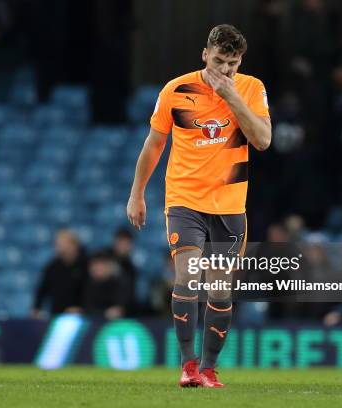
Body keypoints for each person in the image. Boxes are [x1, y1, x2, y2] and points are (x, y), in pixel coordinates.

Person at [126, 24, 271, 388]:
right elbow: (153, 145)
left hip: (230, 204)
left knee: (220, 290)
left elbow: (263, 140)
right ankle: (187, 365)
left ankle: (208, 368)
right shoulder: (175, 90)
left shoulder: (252, 89)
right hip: (185, 199)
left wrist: (233, 96)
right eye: (219, 60)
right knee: (188, 276)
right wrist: (136, 192)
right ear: (205, 54)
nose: (225, 70)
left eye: (232, 63)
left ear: (241, 62)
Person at [32, 229, 88, 317]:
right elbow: (42, 290)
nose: (57, 246)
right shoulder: (52, 267)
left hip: (83, 316)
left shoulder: (87, 264)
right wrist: (36, 308)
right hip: (58, 314)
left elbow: (92, 291)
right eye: (57, 243)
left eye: (61, 243)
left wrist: (83, 308)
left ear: (73, 244)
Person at [82, 251, 125, 319]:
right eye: (95, 265)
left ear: (109, 267)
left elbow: (121, 307)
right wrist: (104, 313)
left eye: (102, 265)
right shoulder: (86, 284)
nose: (98, 269)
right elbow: (87, 309)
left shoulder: (118, 284)